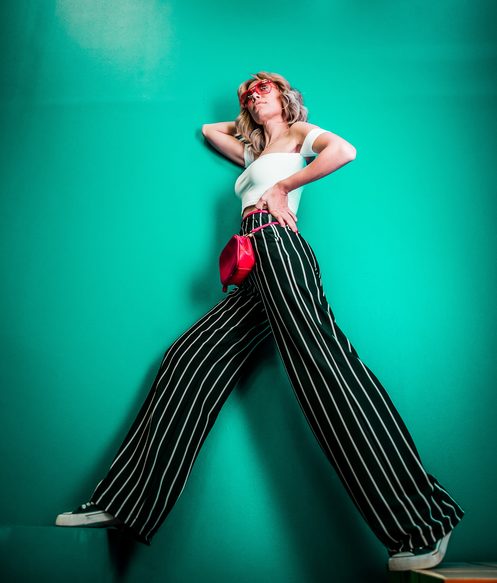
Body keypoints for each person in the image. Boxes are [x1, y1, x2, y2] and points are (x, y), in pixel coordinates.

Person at [55, 71, 465, 571]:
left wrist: (284, 185)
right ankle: (125, 502)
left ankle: (423, 521)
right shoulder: (253, 152)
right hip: (252, 265)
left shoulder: (297, 136)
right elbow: (210, 130)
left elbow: (344, 151)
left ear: (287, 96)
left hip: (279, 245)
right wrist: (250, 117)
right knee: (189, 358)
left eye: (264, 87)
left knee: (324, 371)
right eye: (249, 92)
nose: (255, 92)